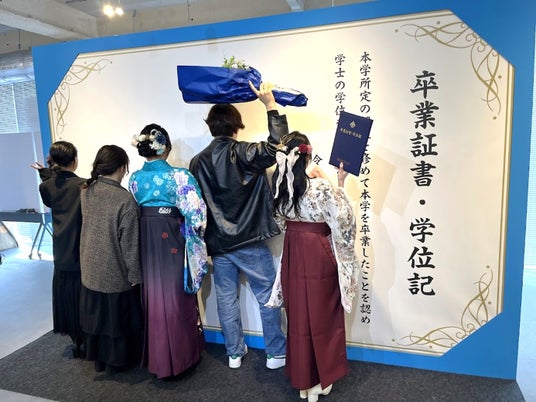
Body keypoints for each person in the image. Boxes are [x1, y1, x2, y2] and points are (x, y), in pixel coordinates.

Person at [188, 82, 287, 370]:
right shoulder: (244, 153)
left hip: (218, 244)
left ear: (210, 127)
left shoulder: (197, 162)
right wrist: (270, 105)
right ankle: (275, 353)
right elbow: (277, 145)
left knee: (226, 299)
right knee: (268, 297)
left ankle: (233, 352)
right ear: (236, 126)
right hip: (250, 241)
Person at [267, 132, 358, 402]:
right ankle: (320, 380)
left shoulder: (282, 188)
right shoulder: (318, 187)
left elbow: (279, 223)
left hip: (293, 251)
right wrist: (337, 183)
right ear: (307, 155)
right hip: (317, 251)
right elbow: (342, 220)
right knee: (323, 315)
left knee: (298, 316)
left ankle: (303, 381)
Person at [129, 123, 208, 379]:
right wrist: (194, 241)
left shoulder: (135, 179)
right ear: (166, 148)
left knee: (153, 295)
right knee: (176, 294)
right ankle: (181, 359)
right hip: (172, 236)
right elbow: (197, 216)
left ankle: (158, 359)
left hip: (146, 238)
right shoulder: (180, 176)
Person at [79, 145, 143, 373]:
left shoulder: (87, 190)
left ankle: (100, 359)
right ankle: (119, 362)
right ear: (122, 167)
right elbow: (130, 246)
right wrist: (135, 276)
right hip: (113, 271)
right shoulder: (125, 200)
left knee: (97, 320)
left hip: (89, 267)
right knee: (116, 323)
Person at [31, 141, 86, 358]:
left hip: (61, 250)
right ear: (74, 160)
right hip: (80, 248)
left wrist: (46, 174)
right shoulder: (84, 186)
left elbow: (53, 190)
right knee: (83, 297)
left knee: (66, 297)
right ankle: (87, 339)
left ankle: (75, 341)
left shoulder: (45, 187)